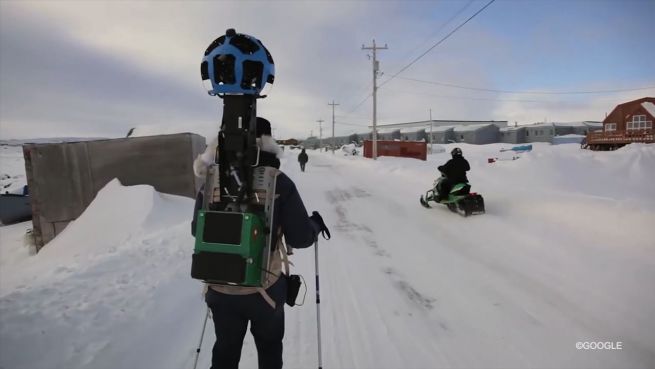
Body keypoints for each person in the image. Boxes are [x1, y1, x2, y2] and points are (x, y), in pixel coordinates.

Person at [191, 117, 330, 369]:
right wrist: (315, 225)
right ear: (268, 143)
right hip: (265, 291)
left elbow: (195, 230)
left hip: (219, 288)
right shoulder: (279, 181)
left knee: (225, 350)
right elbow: (300, 238)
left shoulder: (211, 180)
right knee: (269, 350)